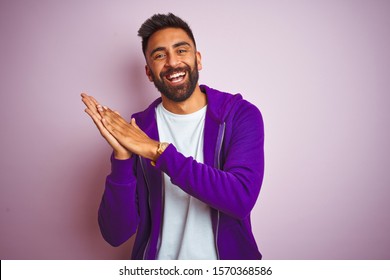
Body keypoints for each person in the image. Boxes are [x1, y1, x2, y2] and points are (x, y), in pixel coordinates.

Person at [81, 13, 265, 260]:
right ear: (149, 72)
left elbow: (240, 198)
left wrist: (157, 151)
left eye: (181, 51)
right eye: (159, 55)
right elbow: (115, 233)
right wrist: (122, 158)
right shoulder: (137, 130)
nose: (172, 62)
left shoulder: (239, 115)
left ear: (197, 59)